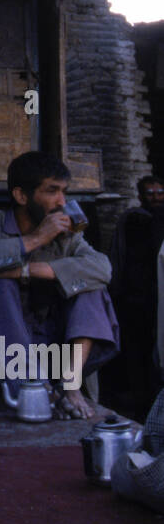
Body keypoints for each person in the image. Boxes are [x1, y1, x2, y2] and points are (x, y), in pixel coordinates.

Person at [0, 151, 118, 420]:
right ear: (21, 196)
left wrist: (22, 271)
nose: (62, 202)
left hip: (54, 345)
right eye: (52, 191)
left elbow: (102, 268)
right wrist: (35, 239)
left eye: (64, 192)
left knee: (91, 288)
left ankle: (70, 386)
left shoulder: (66, 236)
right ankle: (34, 388)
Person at [108, 174, 164, 414]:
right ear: (141, 196)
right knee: (136, 349)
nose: (156, 197)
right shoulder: (134, 220)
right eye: (150, 193)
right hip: (135, 297)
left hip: (157, 294)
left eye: (160, 192)